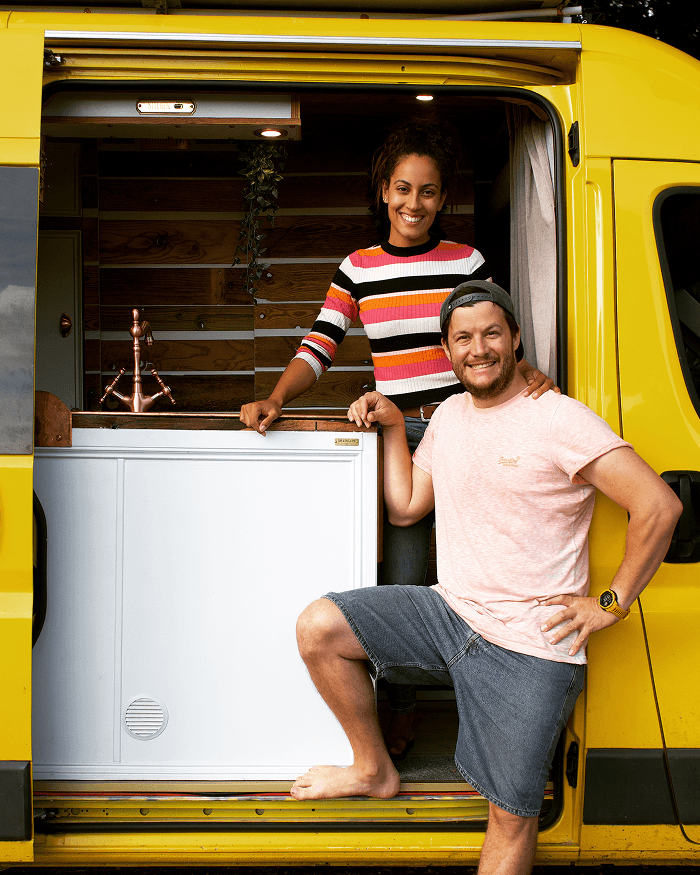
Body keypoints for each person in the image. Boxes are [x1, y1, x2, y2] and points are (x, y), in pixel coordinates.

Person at [290, 281, 682, 875]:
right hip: (452, 614)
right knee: (320, 627)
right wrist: (395, 425)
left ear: (516, 340)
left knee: (510, 816)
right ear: (448, 351)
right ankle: (372, 768)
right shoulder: (448, 415)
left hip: (530, 643)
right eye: (464, 337)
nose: (479, 348)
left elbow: (659, 505)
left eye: (492, 333)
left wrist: (610, 602)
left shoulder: (558, 418)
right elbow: (405, 507)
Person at [239, 120, 556, 757]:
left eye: (429, 192)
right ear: (384, 191)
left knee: (484, 569)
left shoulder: (466, 262)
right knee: (407, 579)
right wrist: (275, 396)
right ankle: (404, 708)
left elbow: (492, 334)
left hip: (469, 430)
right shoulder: (357, 269)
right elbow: (319, 346)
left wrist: (531, 376)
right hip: (401, 440)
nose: (415, 205)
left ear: (443, 198)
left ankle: (487, 704)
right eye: (404, 190)